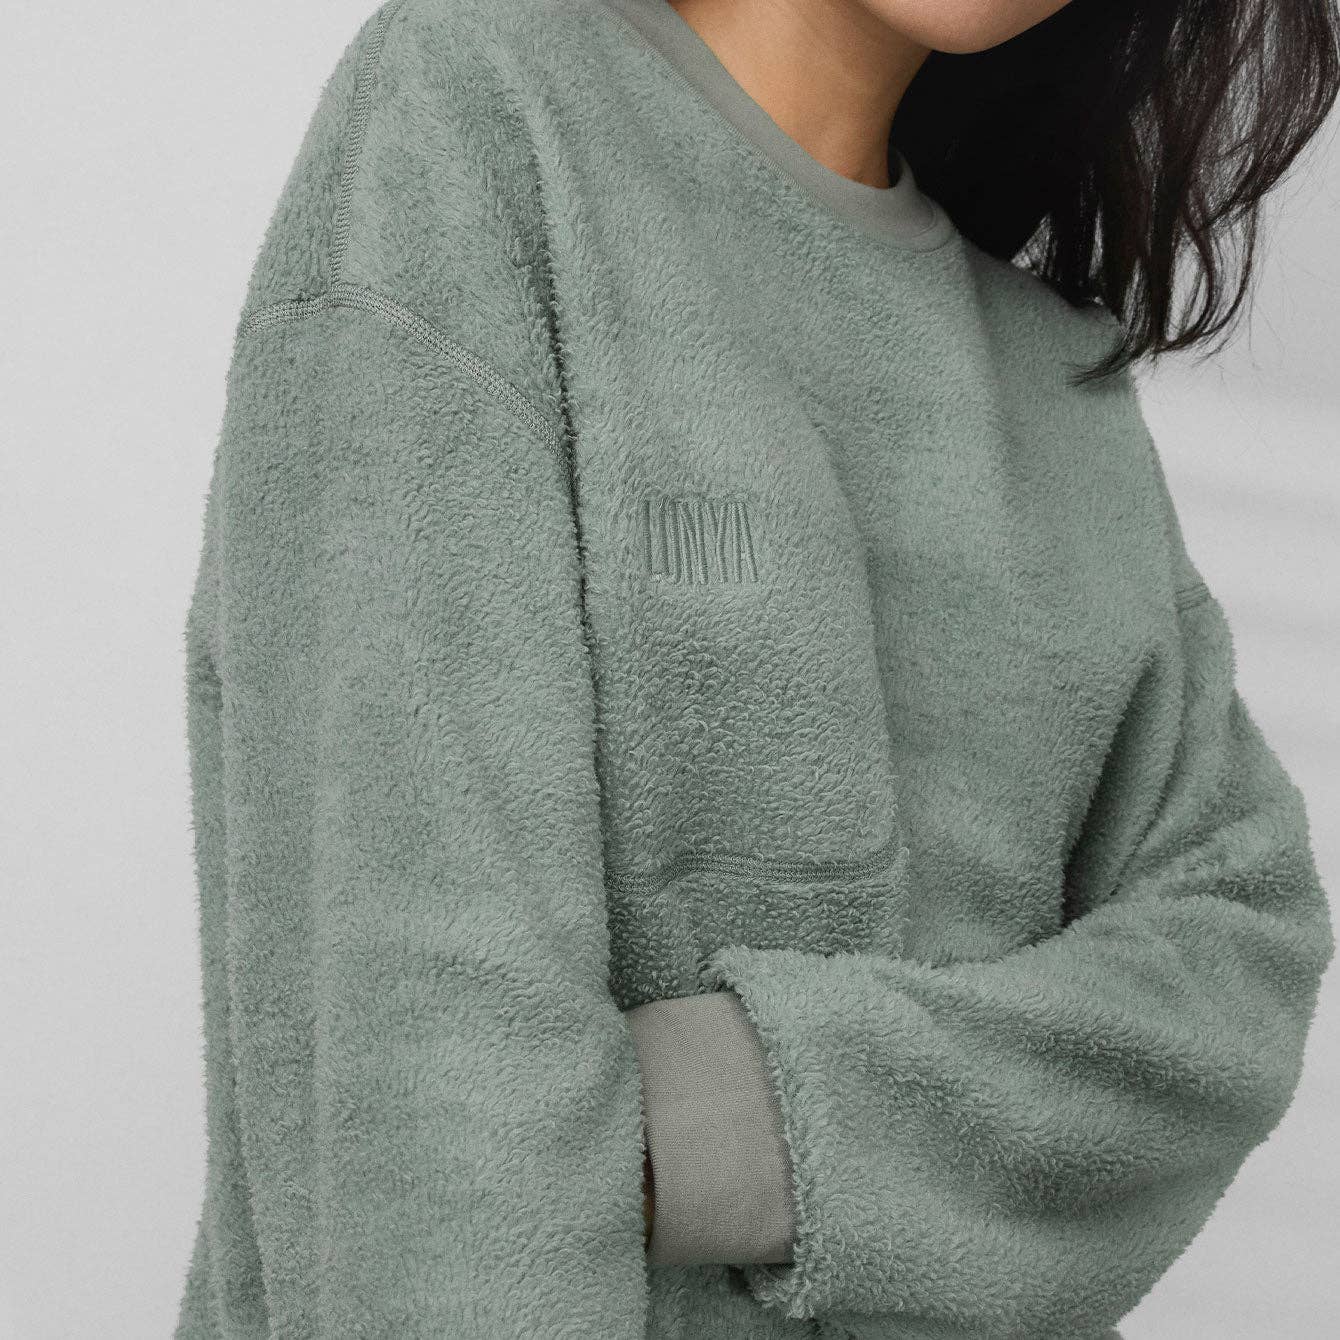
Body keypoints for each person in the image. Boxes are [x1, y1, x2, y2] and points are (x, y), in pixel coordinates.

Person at [174, 0, 1338, 1336]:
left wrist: (723, 1122)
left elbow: (1238, 955)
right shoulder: (482, 114)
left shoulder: (1056, 383)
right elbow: (418, 1011)